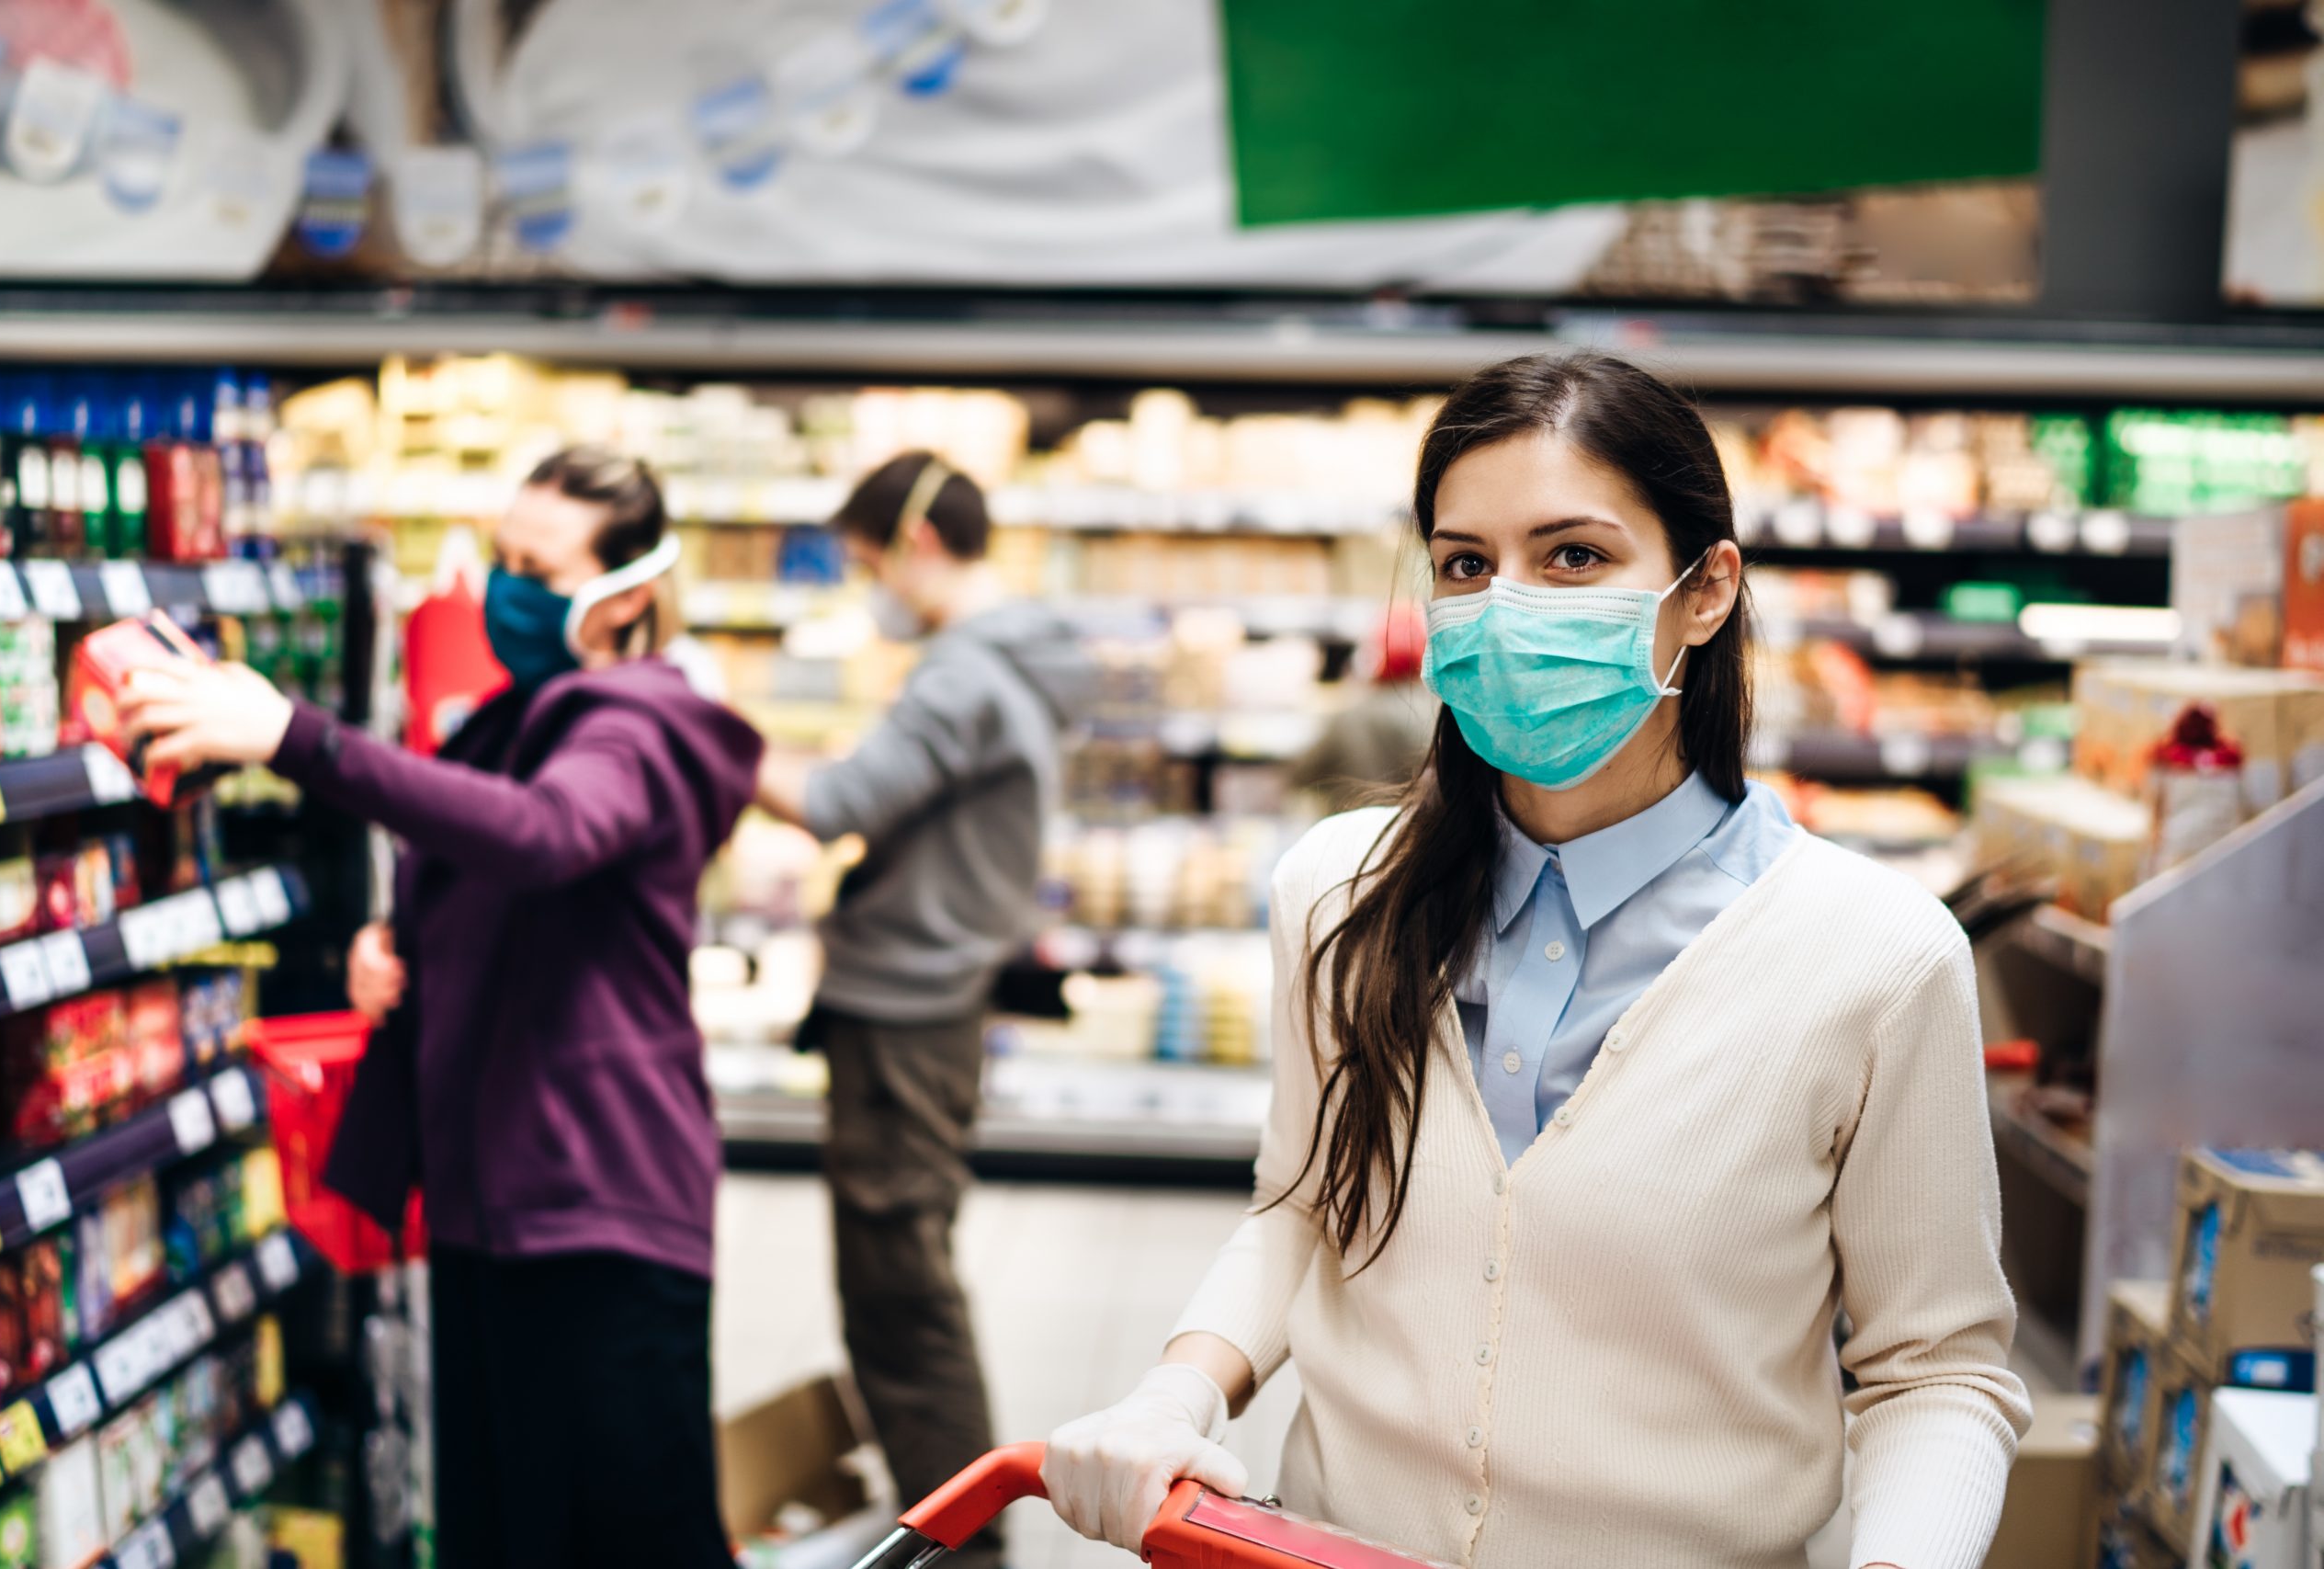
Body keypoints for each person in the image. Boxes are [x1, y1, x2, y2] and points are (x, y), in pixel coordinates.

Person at [1044, 354, 2031, 1569]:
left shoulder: (1874, 958)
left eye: (1573, 556)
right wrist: (1175, 1392)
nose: (1507, 605)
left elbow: (1936, 1364)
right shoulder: (1342, 894)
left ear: (1706, 586)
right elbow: (1305, 1207)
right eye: (1467, 563)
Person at [124, 447, 761, 1569]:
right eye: (501, 557)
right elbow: (496, 872)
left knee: (628, 1541)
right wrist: (408, 949)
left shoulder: (641, 722)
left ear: (628, 596)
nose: (505, 589)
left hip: (596, 1211)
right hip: (491, 1208)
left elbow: (545, 835)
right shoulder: (522, 716)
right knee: (500, 1538)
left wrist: (294, 737)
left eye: (539, 565)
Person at [754, 451, 1089, 1565]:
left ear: (921, 546)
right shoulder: (1018, 659)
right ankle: (949, 1527)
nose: (868, 586)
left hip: (906, 1004)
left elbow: (842, 802)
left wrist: (710, 730)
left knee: (900, 1295)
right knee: (906, 1276)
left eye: (864, 562)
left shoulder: (963, 675)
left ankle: (956, 1546)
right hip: (935, 996)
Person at [1287, 603, 1439, 813]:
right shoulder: (1439, 716)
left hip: (1353, 838)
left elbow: (1301, 775)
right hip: (1415, 837)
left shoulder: (1349, 716)